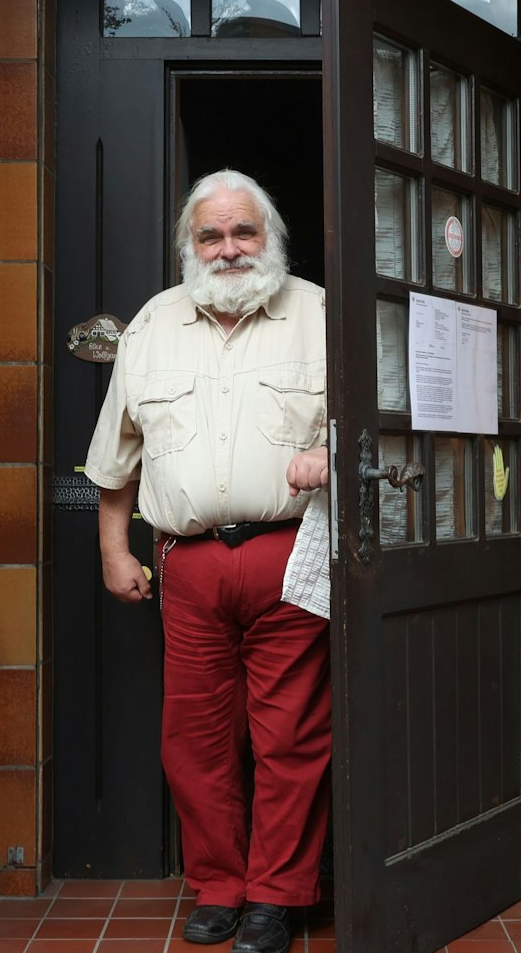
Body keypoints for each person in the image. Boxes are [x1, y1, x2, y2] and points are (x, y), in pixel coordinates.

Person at [84, 169, 331, 953]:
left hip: (291, 555)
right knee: (194, 736)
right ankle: (221, 886)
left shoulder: (321, 312)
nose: (228, 249)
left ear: (271, 239)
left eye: (243, 232)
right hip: (184, 566)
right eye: (211, 235)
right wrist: (114, 551)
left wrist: (328, 451)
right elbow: (115, 458)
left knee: (289, 732)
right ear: (191, 246)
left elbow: (376, 424)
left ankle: (277, 897)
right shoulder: (153, 324)